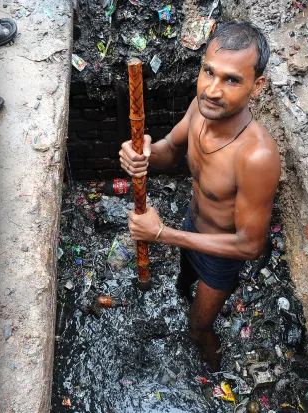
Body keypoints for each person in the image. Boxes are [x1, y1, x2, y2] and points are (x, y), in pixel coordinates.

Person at [119, 22, 280, 372]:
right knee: (182, 281)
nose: (212, 89)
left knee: (198, 326)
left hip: (223, 254)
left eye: (232, 80)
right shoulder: (199, 108)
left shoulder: (256, 156)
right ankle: (184, 290)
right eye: (209, 72)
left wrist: (162, 235)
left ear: (258, 86)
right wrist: (144, 154)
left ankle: (213, 368)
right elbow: (170, 149)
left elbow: (249, 246)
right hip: (193, 225)